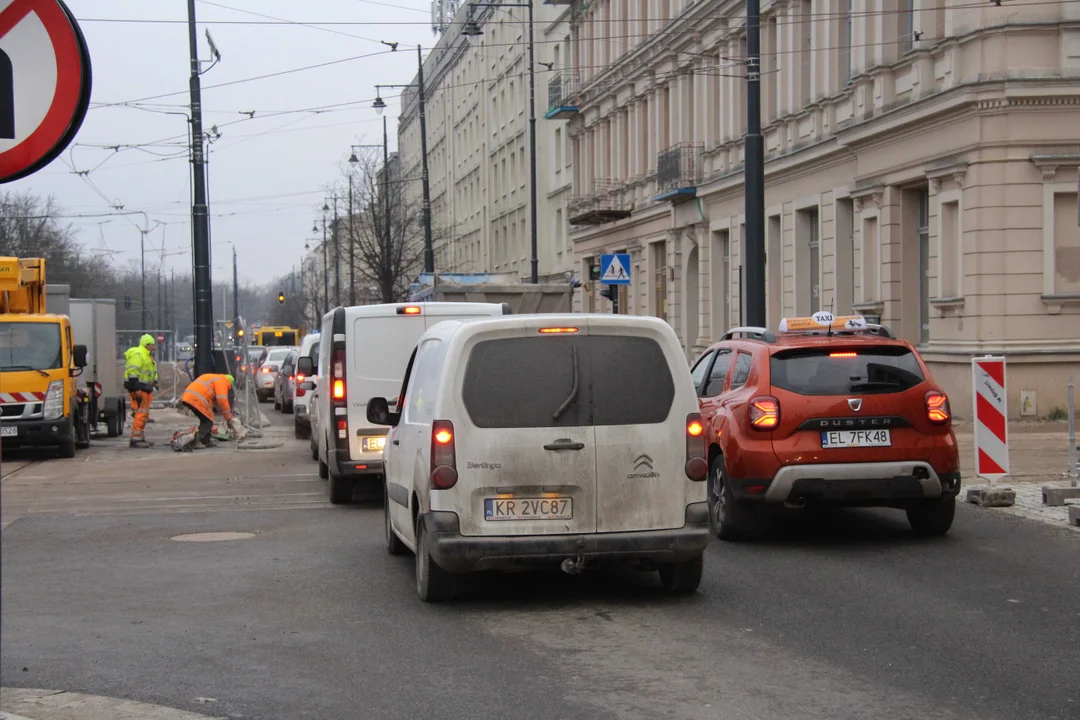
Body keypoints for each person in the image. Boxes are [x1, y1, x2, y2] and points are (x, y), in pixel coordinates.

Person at [176, 373, 245, 450]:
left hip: (189, 396)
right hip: (197, 399)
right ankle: (194, 441)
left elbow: (212, 397)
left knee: (206, 419)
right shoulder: (222, 381)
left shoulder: (214, 378)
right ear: (229, 383)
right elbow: (222, 400)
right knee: (207, 422)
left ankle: (206, 440)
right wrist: (228, 418)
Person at [123, 334, 158, 448]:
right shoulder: (139, 354)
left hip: (145, 388)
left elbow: (150, 372)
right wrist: (137, 388)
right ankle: (135, 438)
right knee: (140, 413)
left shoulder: (147, 356)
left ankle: (140, 437)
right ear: (146, 344)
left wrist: (154, 382)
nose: (154, 347)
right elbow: (132, 373)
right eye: (152, 344)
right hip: (140, 388)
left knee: (143, 414)